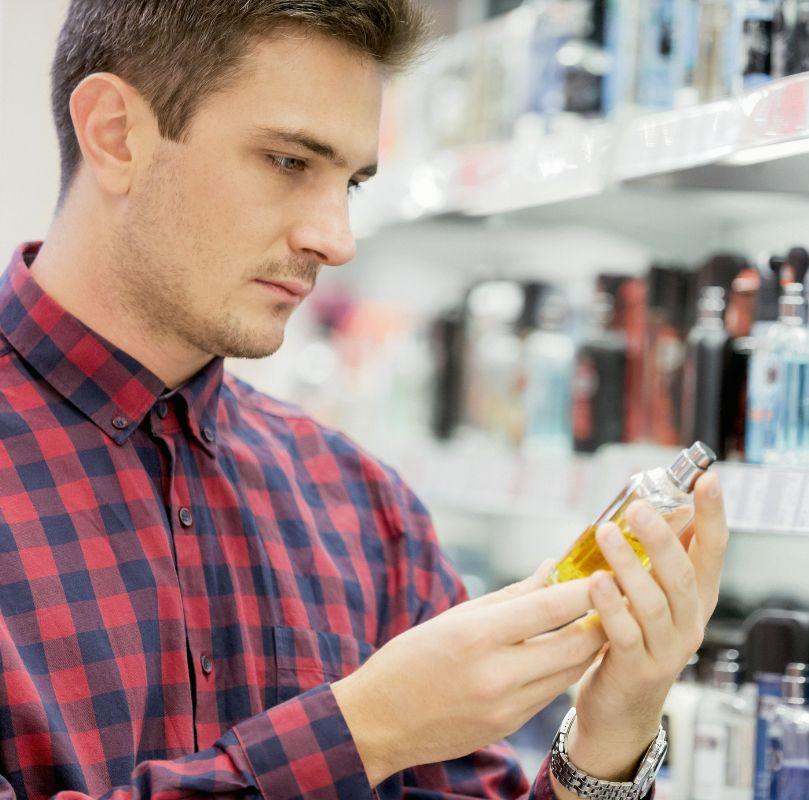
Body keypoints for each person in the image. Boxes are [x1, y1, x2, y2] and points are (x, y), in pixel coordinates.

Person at [0, 2, 731, 799]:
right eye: (287, 162)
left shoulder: (364, 511)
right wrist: (366, 730)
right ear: (115, 132)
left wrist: (608, 742)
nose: (336, 239)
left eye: (350, 181)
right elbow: (367, 730)